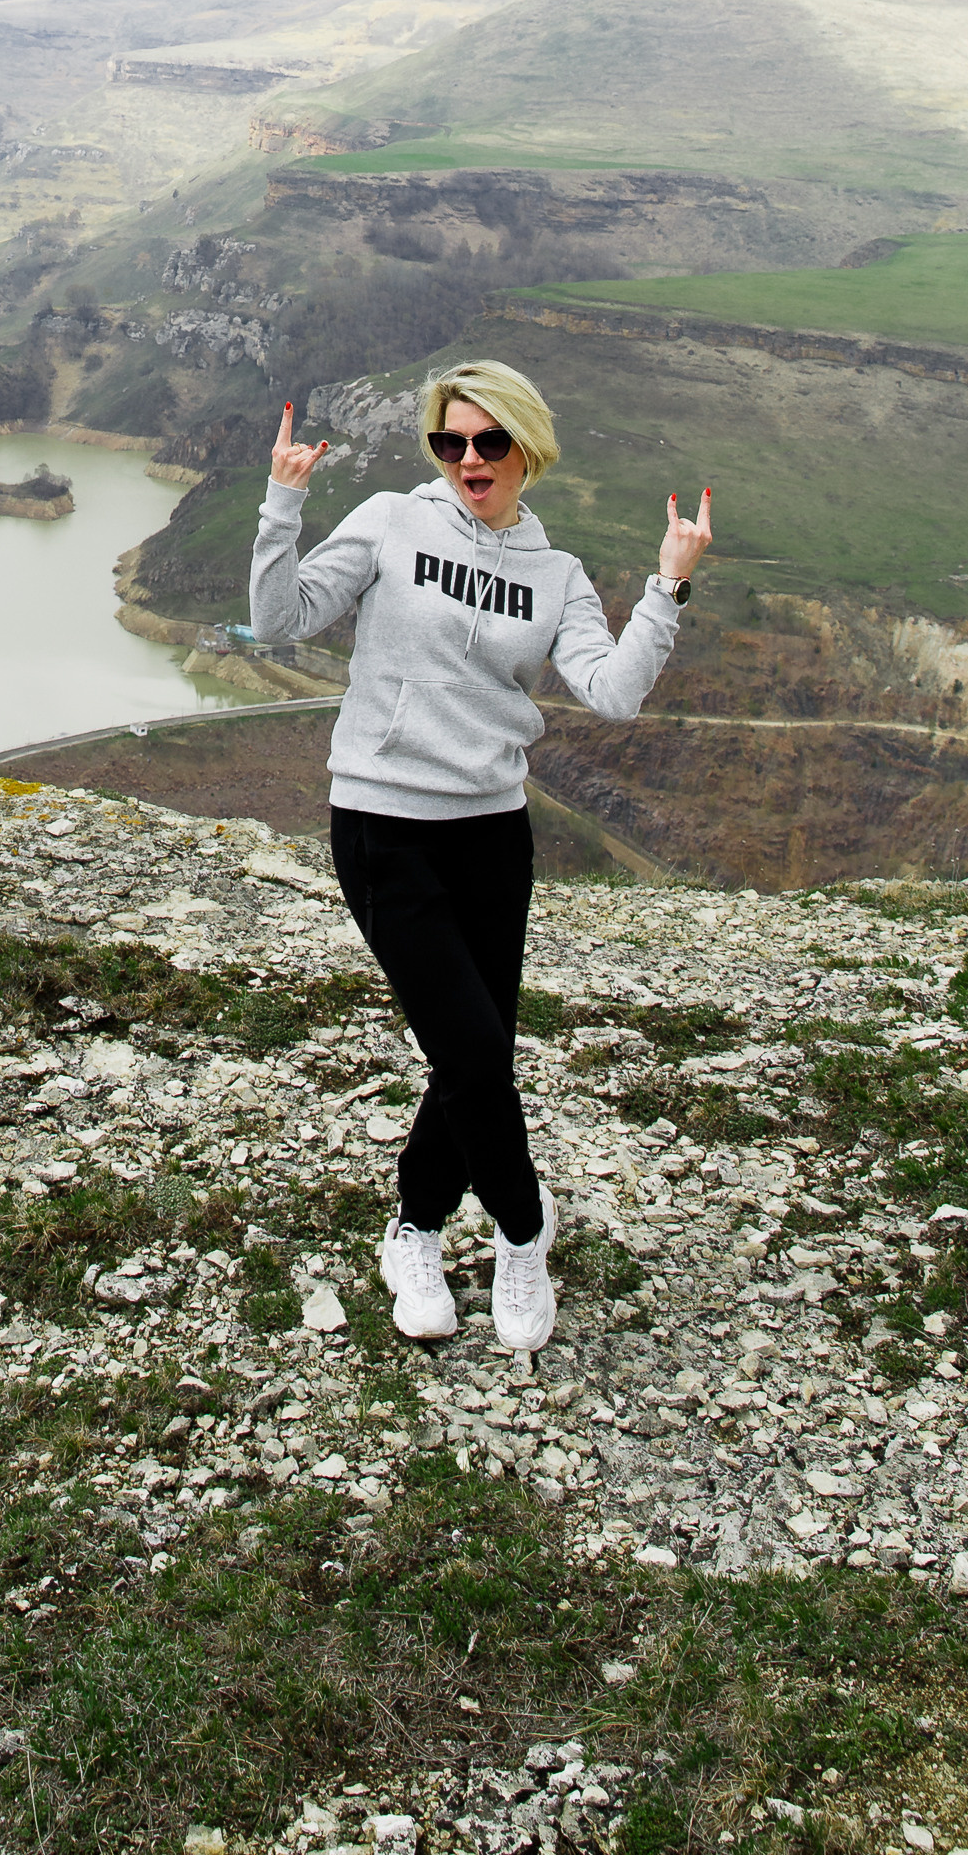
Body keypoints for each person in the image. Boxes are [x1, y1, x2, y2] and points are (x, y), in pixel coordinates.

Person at [252, 360, 711, 1353]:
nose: (467, 460)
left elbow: (614, 690)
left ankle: (414, 1229)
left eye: (488, 442)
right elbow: (280, 619)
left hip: (491, 835)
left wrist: (667, 583)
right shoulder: (388, 520)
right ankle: (522, 1231)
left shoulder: (558, 577)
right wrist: (282, 500)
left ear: (525, 449)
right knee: (468, 1050)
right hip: (381, 824)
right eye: (449, 442)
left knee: (472, 1056)